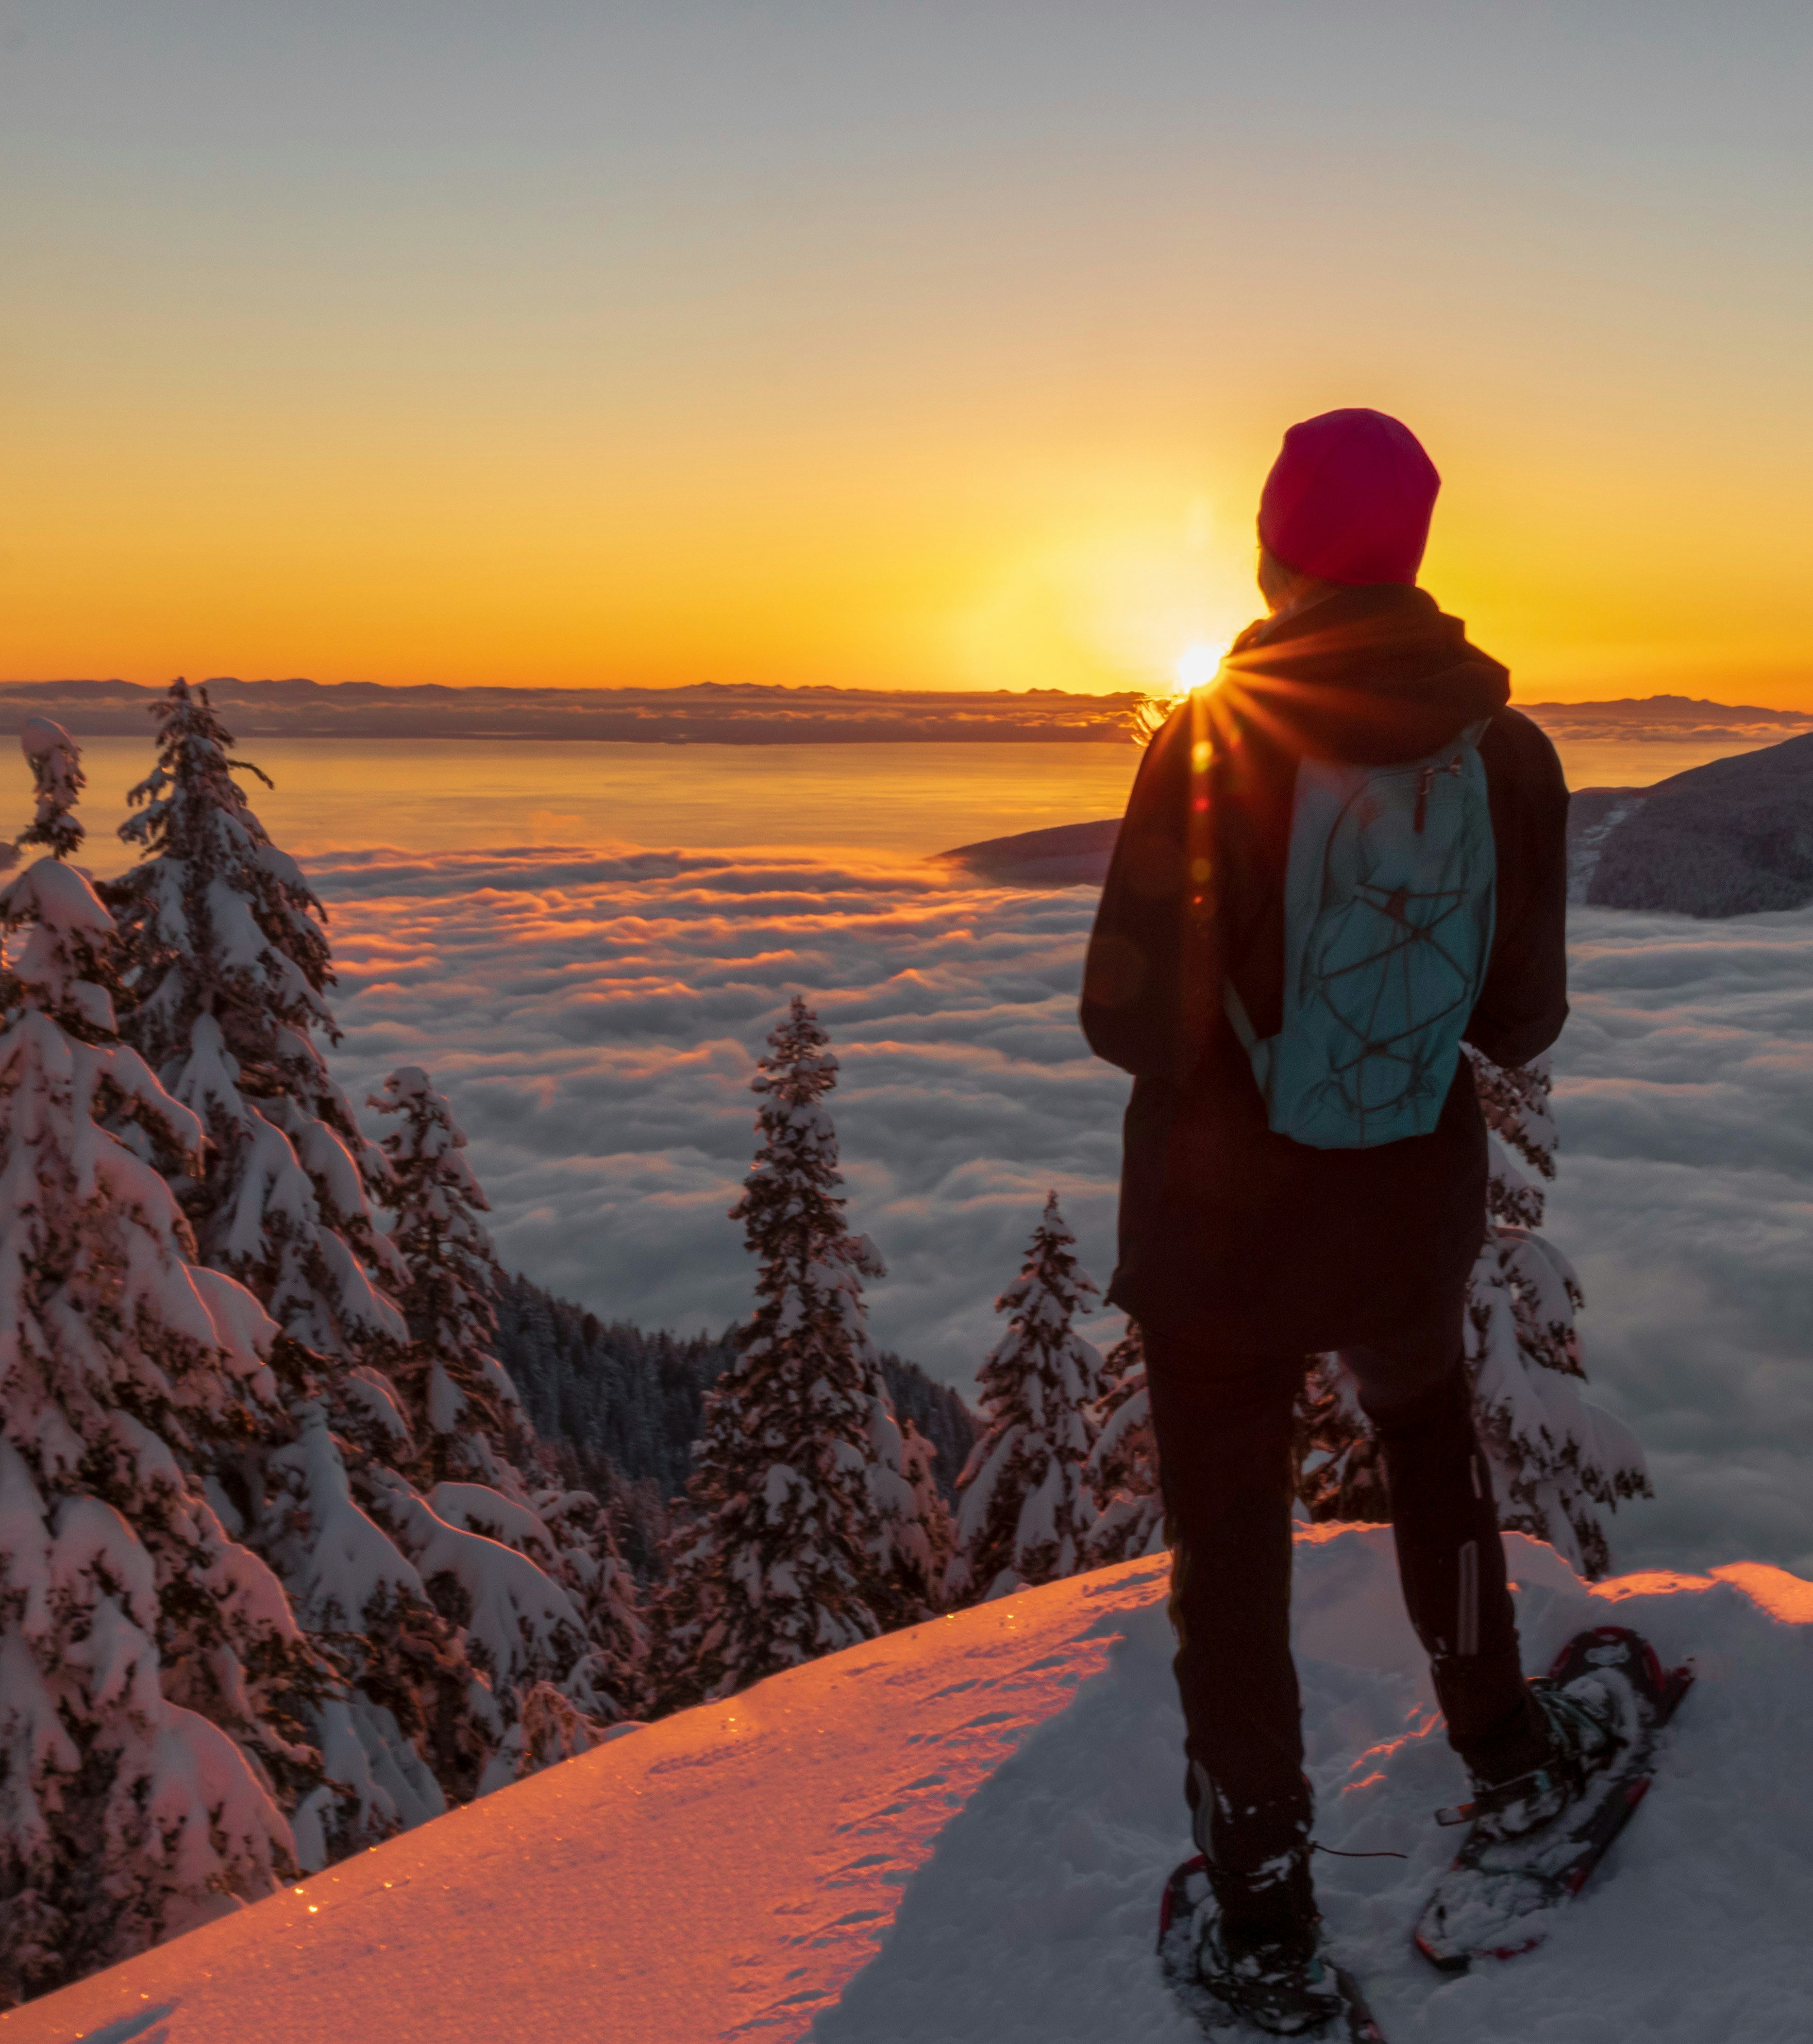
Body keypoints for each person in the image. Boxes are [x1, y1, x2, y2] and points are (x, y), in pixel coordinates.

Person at [1081, 409, 1599, 2033]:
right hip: (1407, 1204)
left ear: (1274, 548)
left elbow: (1122, 1013)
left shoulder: (1216, 733)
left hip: (1219, 1236)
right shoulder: (1507, 755)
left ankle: (1263, 1916)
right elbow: (1518, 1026)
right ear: (1416, 555)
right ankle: (1510, 1762)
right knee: (1434, 1461)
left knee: (1229, 1565)